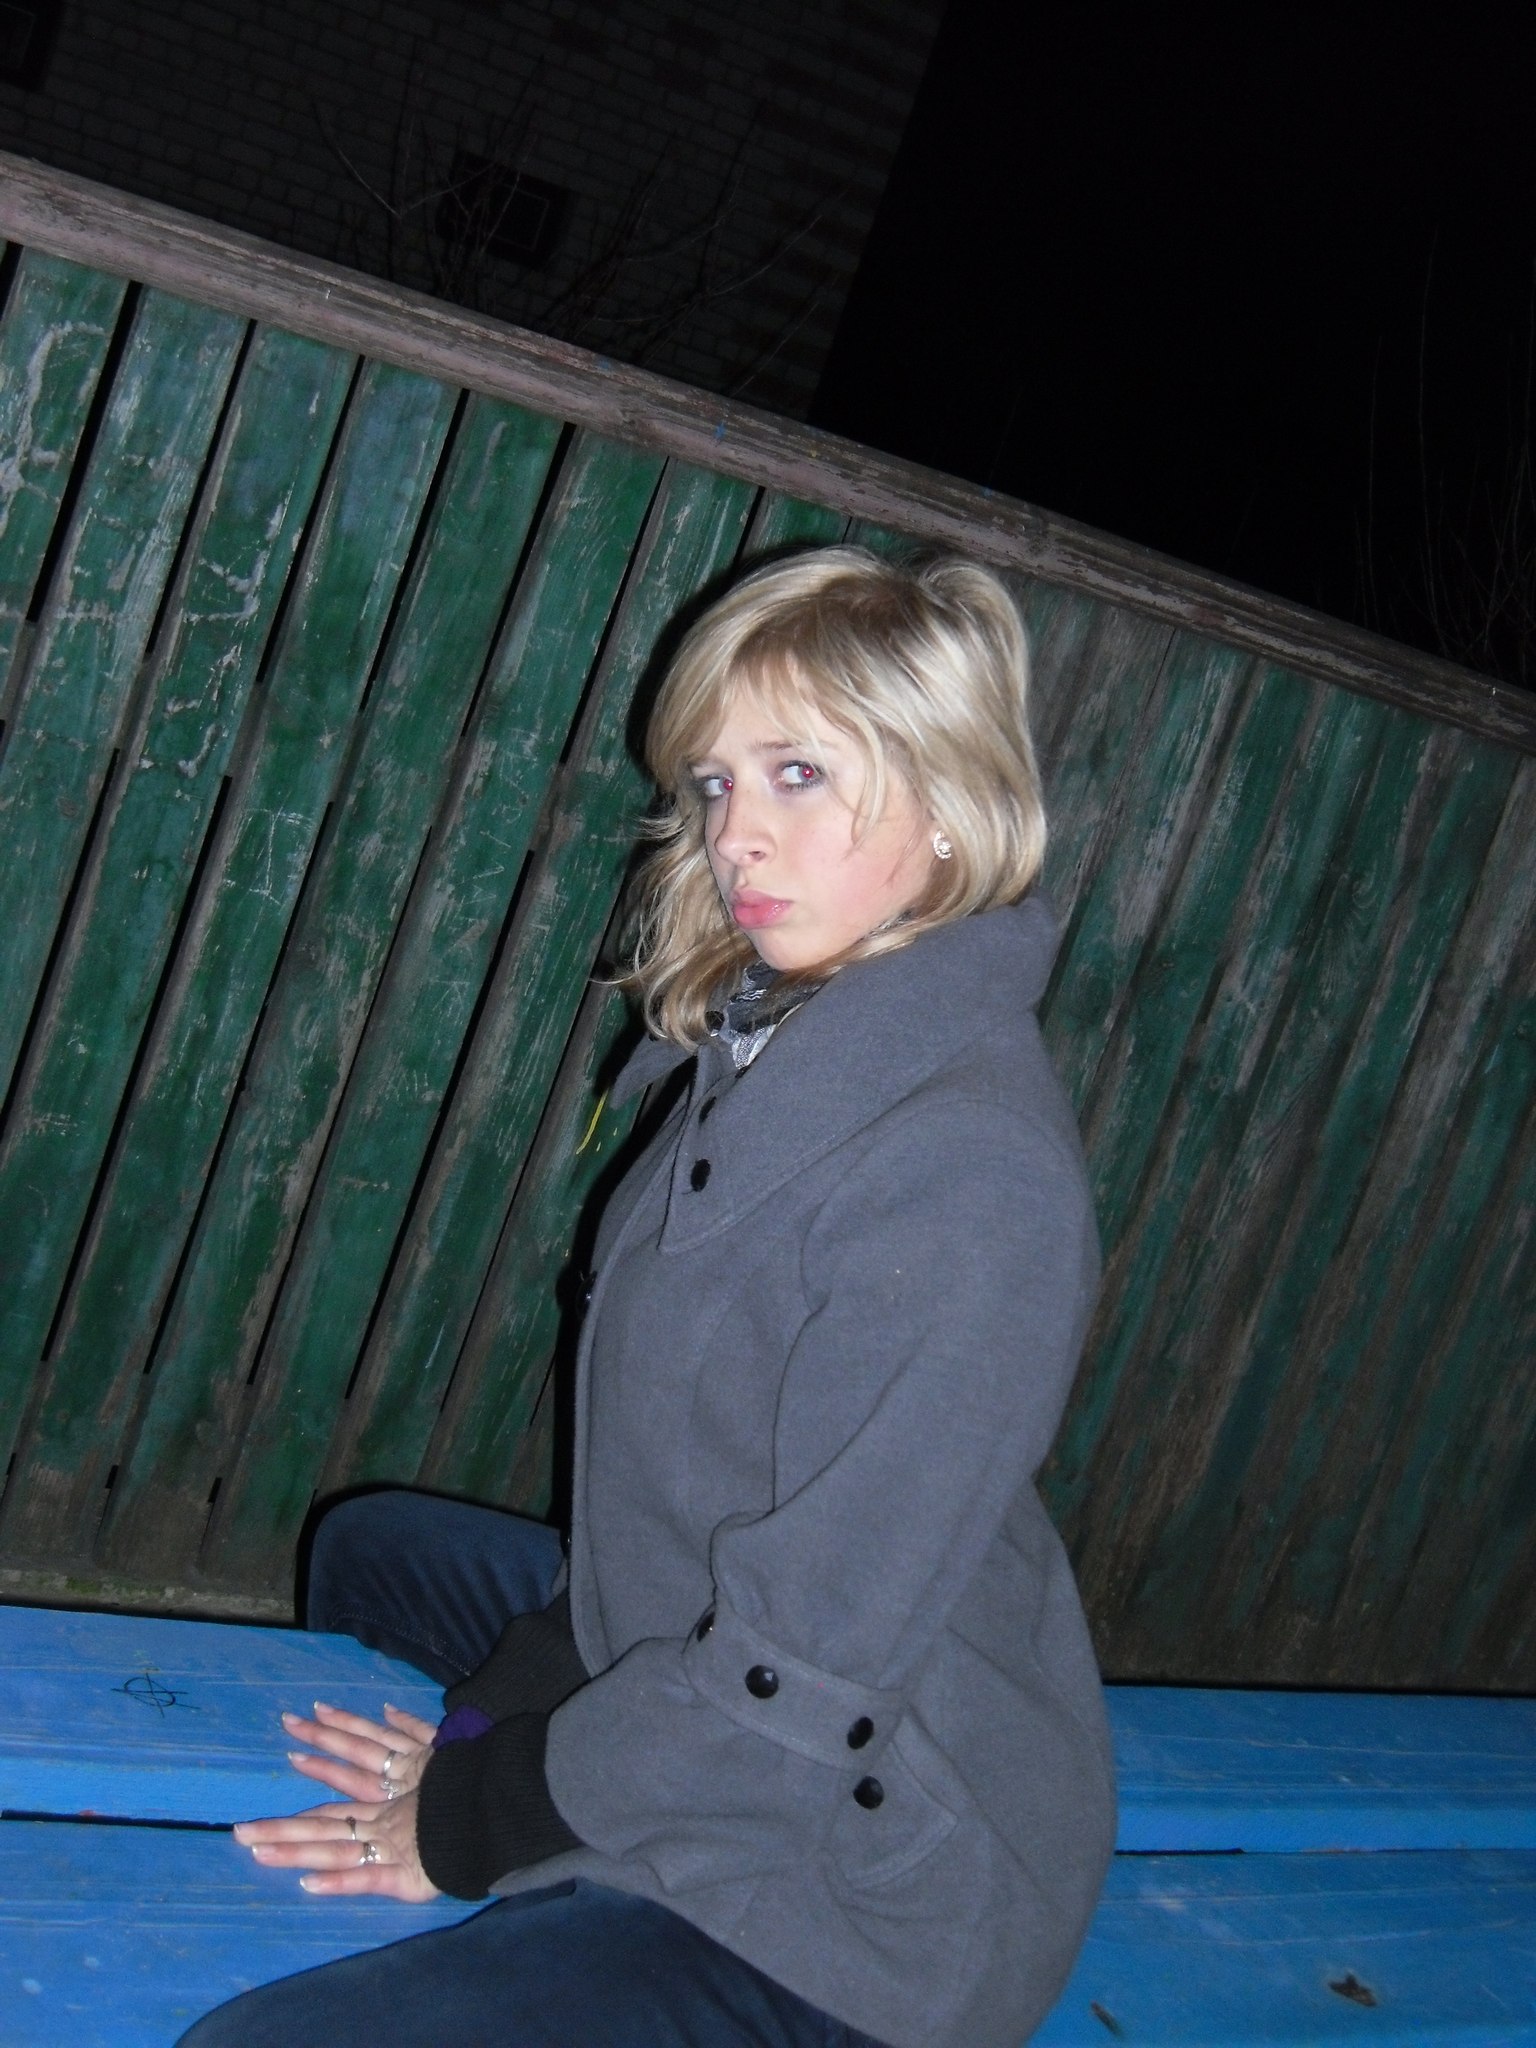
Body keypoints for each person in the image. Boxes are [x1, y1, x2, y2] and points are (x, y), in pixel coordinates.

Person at [179, 546, 1115, 2048]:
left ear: (949, 805)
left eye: (799, 774)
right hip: (692, 1639)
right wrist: (486, 1728)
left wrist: (468, 1817)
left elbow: (792, 1690)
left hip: (861, 1871)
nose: (739, 833)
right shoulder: (778, 1045)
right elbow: (660, 1506)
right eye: (716, 783)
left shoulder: (969, 1177)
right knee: (371, 1556)